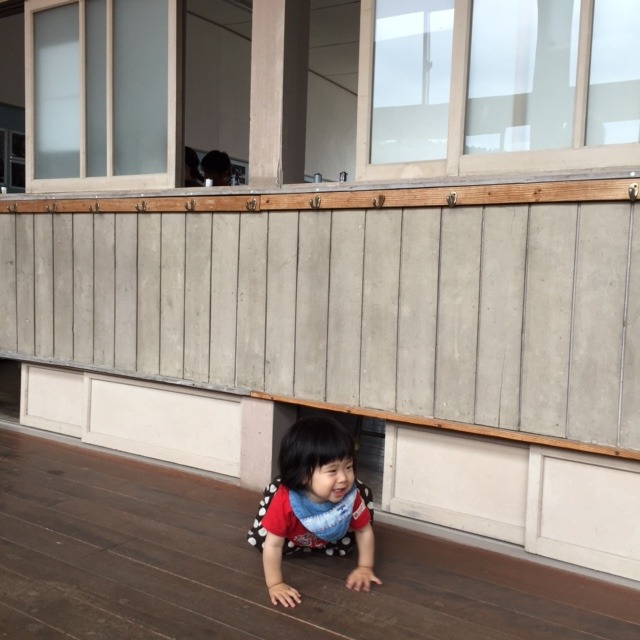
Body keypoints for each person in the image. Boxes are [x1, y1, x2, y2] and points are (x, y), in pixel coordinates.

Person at [247, 415, 381, 608]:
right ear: (302, 475)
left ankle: (324, 541)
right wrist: (275, 584)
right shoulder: (286, 500)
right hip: (292, 538)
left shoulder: (350, 495)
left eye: (349, 467)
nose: (344, 478)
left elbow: (364, 531)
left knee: (362, 498)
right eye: (332, 471)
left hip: (333, 537)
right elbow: (274, 546)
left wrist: (365, 567)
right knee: (264, 540)